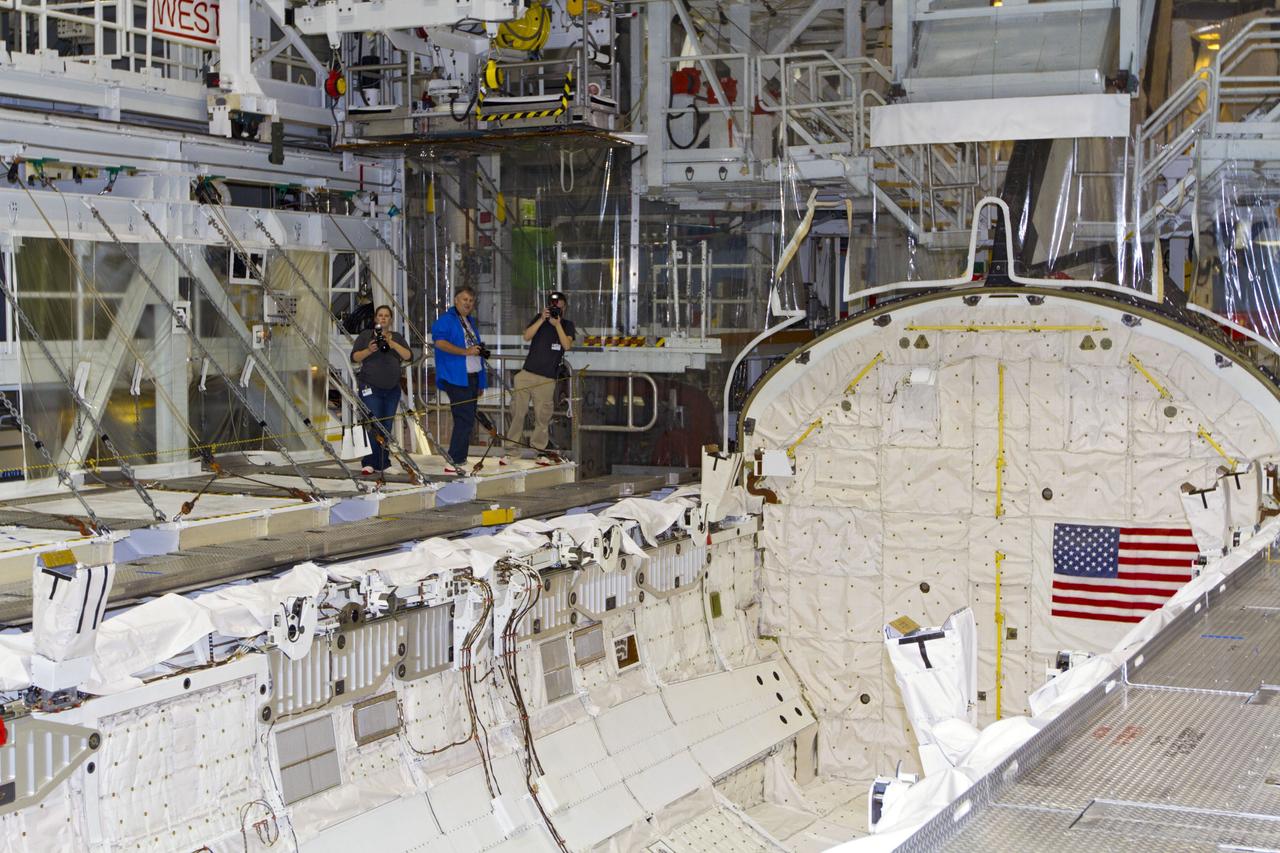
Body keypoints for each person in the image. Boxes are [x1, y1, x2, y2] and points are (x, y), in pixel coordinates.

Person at [508, 290, 575, 464]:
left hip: (547, 378)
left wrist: (557, 324)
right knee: (518, 412)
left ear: (564, 308)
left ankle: (539, 450)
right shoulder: (540, 319)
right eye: (553, 306)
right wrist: (541, 319)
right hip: (527, 373)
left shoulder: (567, 325)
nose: (555, 310)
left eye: (559, 307)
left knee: (542, 416)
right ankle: (511, 450)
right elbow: (526, 336)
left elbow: (567, 345)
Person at [431, 285, 488, 475]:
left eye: (471, 301)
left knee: (467, 419)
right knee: (464, 417)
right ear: (456, 300)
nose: (468, 304)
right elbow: (439, 343)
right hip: (455, 377)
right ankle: (454, 459)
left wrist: (480, 381)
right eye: (465, 300)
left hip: (471, 376)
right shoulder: (446, 320)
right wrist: (465, 352)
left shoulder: (469, 321)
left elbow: (475, 352)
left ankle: (460, 458)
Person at [350, 305, 413, 475]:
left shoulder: (397, 337)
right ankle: (369, 462)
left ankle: (383, 462)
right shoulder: (366, 336)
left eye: (386, 316)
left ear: (390, 320)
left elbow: (409, 356)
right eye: (380, 315)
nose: (383, 318)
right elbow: (354, 357)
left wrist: (392, 344)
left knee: (386, 425)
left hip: (392, 389)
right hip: (371, 386)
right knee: (374, 424)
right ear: (376, 318)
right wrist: (369, 350)